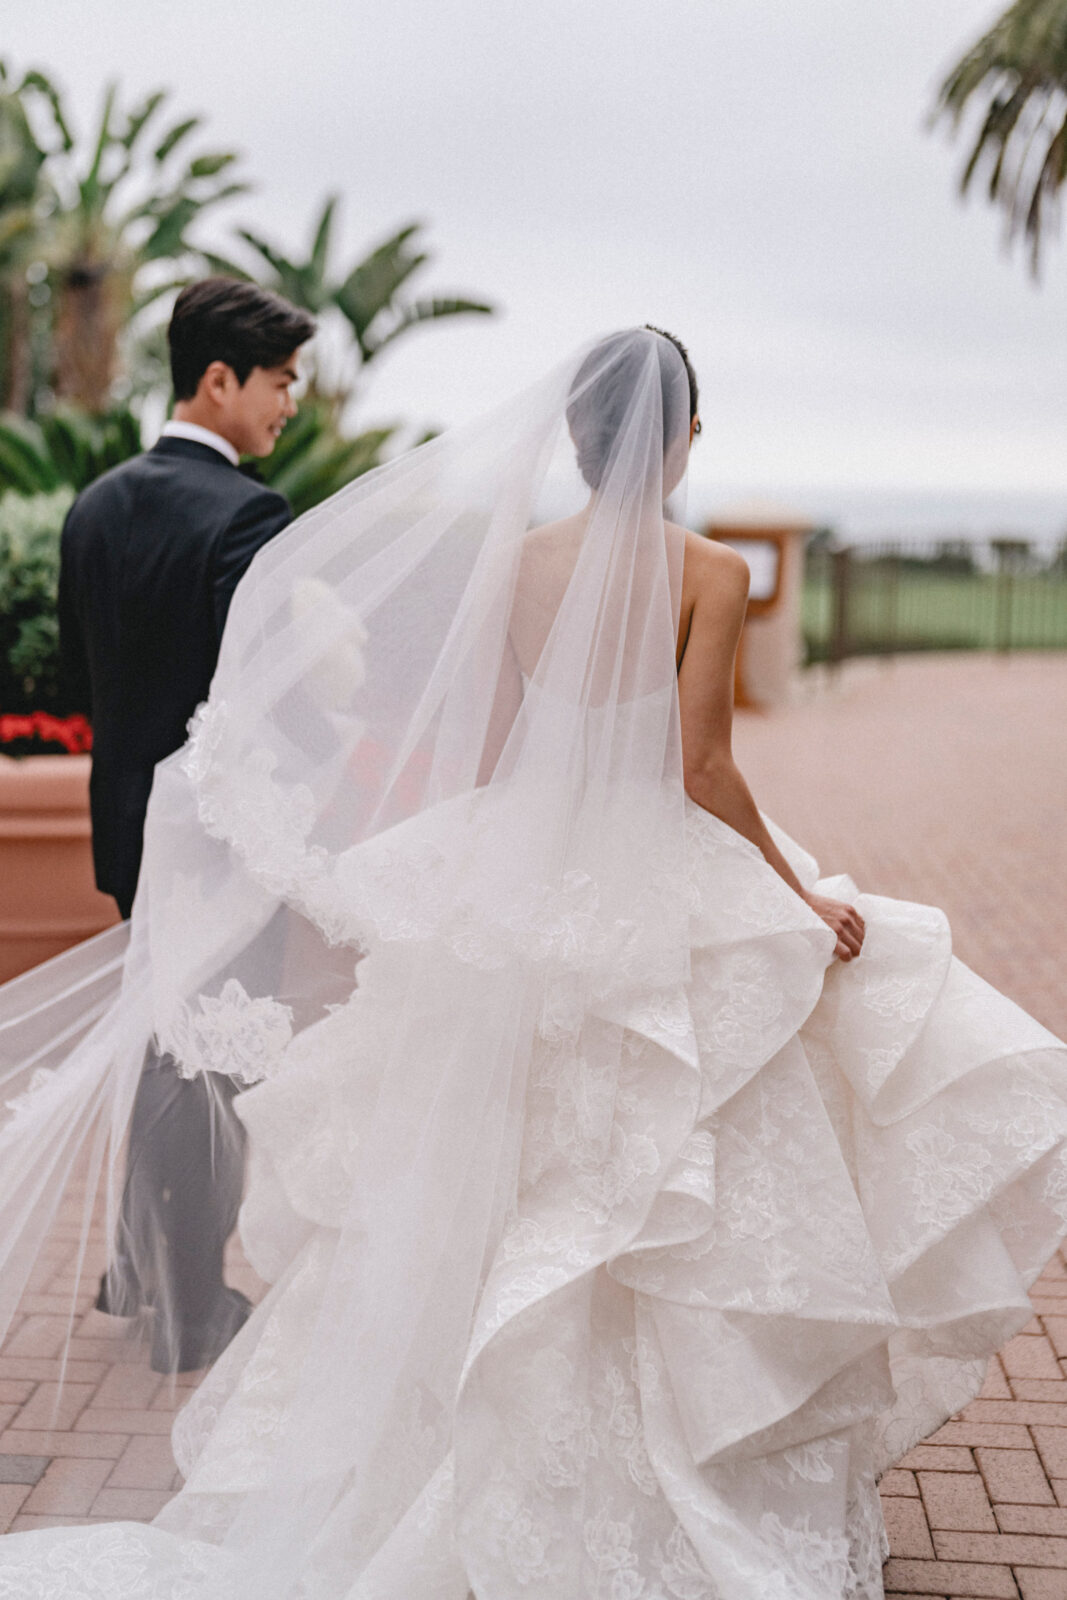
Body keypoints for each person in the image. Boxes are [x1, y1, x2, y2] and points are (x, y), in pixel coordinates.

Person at [0, 327, 1064, 1600]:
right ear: (677, 440)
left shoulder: (514, 566)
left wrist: (480, 879)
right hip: (653, 865)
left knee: (499, 1163)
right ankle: (660, 1478)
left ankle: (464, 1450)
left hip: (529, 867)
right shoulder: (709, 570)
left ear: (569, 441)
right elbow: (704, 768)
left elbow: (501, 750)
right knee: (671, 1170)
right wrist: (797, 894)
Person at [56, 277, 315, 1371]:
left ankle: (134, 1264)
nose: (290, 403)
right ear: (219, 380)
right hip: (216, 834)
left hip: (126, 824)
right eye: (280, 380)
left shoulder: (96, 503)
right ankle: (191, 1308)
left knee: (164, 1039)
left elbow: (80, 674)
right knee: (208, 1068)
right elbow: (261, 695)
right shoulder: (247, 515)